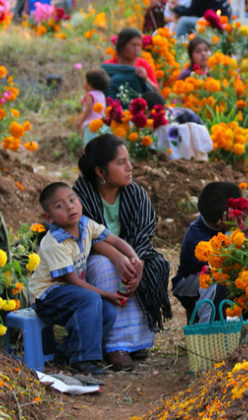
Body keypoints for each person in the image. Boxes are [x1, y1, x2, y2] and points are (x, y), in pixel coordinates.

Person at [73, 134, 172, 371]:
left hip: (134, 251)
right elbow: (85, 235)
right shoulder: (81, 194)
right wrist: (117, 257)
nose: (129, 168)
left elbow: (143, 235)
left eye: (128, 161)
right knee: (105, 267)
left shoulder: (135, 194)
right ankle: (114, 345)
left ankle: (137, 341)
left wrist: (136, 263)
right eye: (120, 162)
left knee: (154, 264)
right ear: (100, 171)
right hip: (89, 254)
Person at [30, 182, 140, 375]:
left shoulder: (86, 225)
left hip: (72, 293)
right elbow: (72, 280)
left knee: (108, 311)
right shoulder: (54, 242)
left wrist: (134, 258)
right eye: (59, 206)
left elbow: (114, 240)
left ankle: (67, 353)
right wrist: (107, 294)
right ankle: (83, 360)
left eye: (72, 200)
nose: (70, 207)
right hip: (47, 297)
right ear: (48, 217)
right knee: (92, 300)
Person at [172, 182, 242, 323]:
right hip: (190, 284)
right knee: (216, 280)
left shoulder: (232, 222)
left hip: (215, 277)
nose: (240, 213)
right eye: (236, 210)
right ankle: (210, 331)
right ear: (220, 221)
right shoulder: (196, 237)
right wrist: (232, 230)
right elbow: (221, 262)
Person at [103, 27, 159, 100]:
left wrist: (145, 79)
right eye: (133, 45)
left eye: (138, 45)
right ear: (122, 45)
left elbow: (156, 92)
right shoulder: (109, 66)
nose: (136, 49)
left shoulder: (143, 64)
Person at [76, 69, 109, 145]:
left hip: (90, 125)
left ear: (89, 85)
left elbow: (88, 109)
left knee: (88, 145)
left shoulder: (89, 95)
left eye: (85, 81)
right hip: (101, 124)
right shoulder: (101, 94)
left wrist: (81, 121)